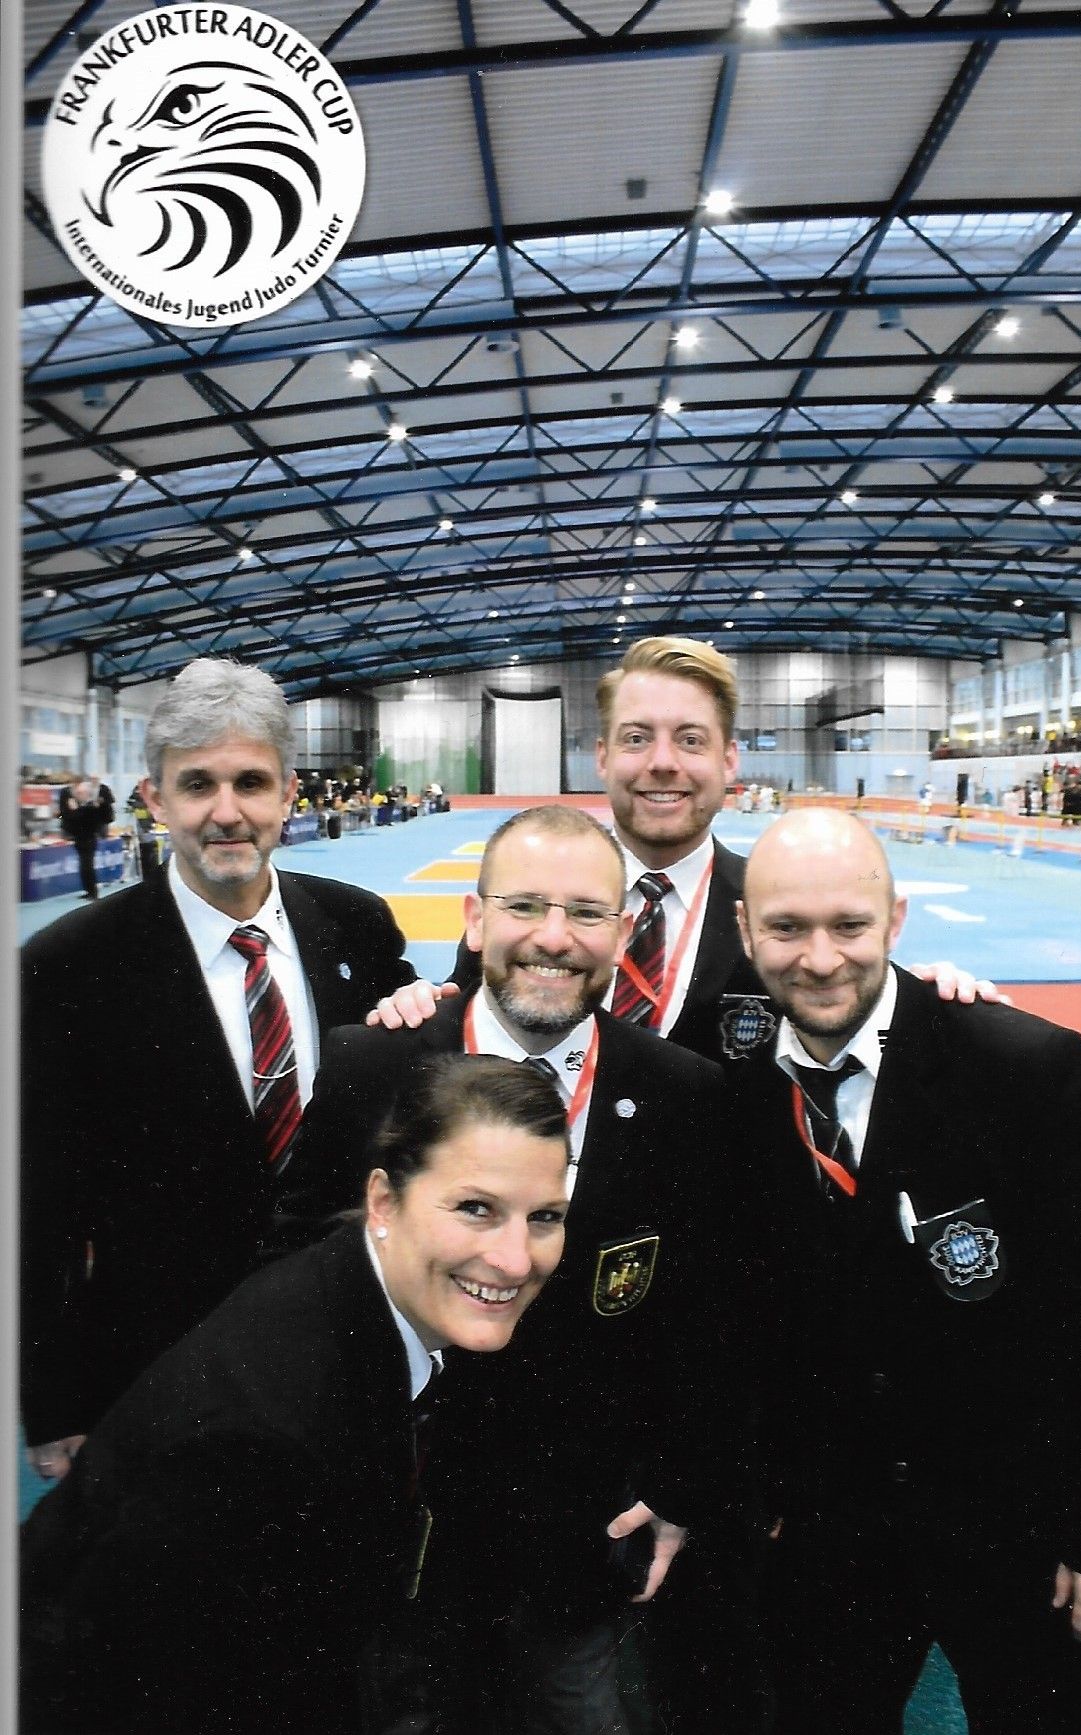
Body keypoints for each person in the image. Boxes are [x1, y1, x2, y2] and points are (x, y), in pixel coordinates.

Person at [277, 804, 741, 1733]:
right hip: (398, 1532)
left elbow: (713, 1314)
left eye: (585, 912)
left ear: (621, 931)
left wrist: (681, 1483)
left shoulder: (682, 1093)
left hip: (579, 1543)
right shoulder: (376, 1065)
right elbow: (297, 1262)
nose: (554, 939)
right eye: (525, 905)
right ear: (474, 919)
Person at [20, 1055, 569, 1735]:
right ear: (382, 1200)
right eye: (476, 1208)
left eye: (544, 1216)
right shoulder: (261, 1436)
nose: (517, 1258)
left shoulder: (358, 1289)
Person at [730, 807, 1081, 1734]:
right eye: (785, 928)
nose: (819, 958)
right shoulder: (732, 1083)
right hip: (829, 1538)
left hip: (1024, 1529)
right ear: (745, 931)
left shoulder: (1028, 1068)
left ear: (897, 923)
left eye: (849, 926)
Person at [20, 657, 417, 1479]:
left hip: (349, 1337)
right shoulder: (68, 966)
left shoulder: (357, 925)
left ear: (287, 791)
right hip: (157, 1358)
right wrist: (55, 1397)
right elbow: (37, 1203)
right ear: (155, 799)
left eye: (251, 781)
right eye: (197, 784)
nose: (226, 812)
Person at [374, 636, 993, 1059]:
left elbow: (854, 1014)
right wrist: (420, 1002)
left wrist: (933, 1003)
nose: (663, 763)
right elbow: (472, 1023)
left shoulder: (780, 913)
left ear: (729, 760)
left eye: (691, 741)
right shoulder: (529, 904)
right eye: (638, 738)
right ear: (604, 758)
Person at [58, 772, 114, 900]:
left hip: (88, 836)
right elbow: (66, 815)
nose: (80, 794)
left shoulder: (92, 807)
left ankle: (93, 892)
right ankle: (89, 890)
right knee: (84, 865)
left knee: (87, 864)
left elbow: (101, 817)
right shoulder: (69, 796)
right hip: (79, 836)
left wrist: (76, 809)